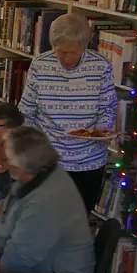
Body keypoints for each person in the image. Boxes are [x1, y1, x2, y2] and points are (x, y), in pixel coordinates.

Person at [17, 12, 119, 212]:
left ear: (84, 46)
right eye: (61, 51)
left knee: (78, 221)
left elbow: (108, 107)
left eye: (73, 52)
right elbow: (26, 111)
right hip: (48, 160)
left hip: (88, 161)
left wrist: (103, 129)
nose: (67, 58)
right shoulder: (40, 65)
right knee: (45, 217)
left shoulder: (100, 66)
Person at [0, 125, 95, 273]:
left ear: (22, 166)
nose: (6, 165)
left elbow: (16, 263)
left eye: (8, 160)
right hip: (40, 272)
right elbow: (4, 212)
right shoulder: (42, 175)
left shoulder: (45, 202)